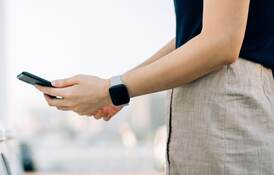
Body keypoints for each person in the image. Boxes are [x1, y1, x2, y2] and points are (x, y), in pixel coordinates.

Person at [35, 0, 274, 174]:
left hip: (228, 108)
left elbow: (221, 41)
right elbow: (192, 36)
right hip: (214, 107)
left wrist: (112, 89)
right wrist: (115, 90)